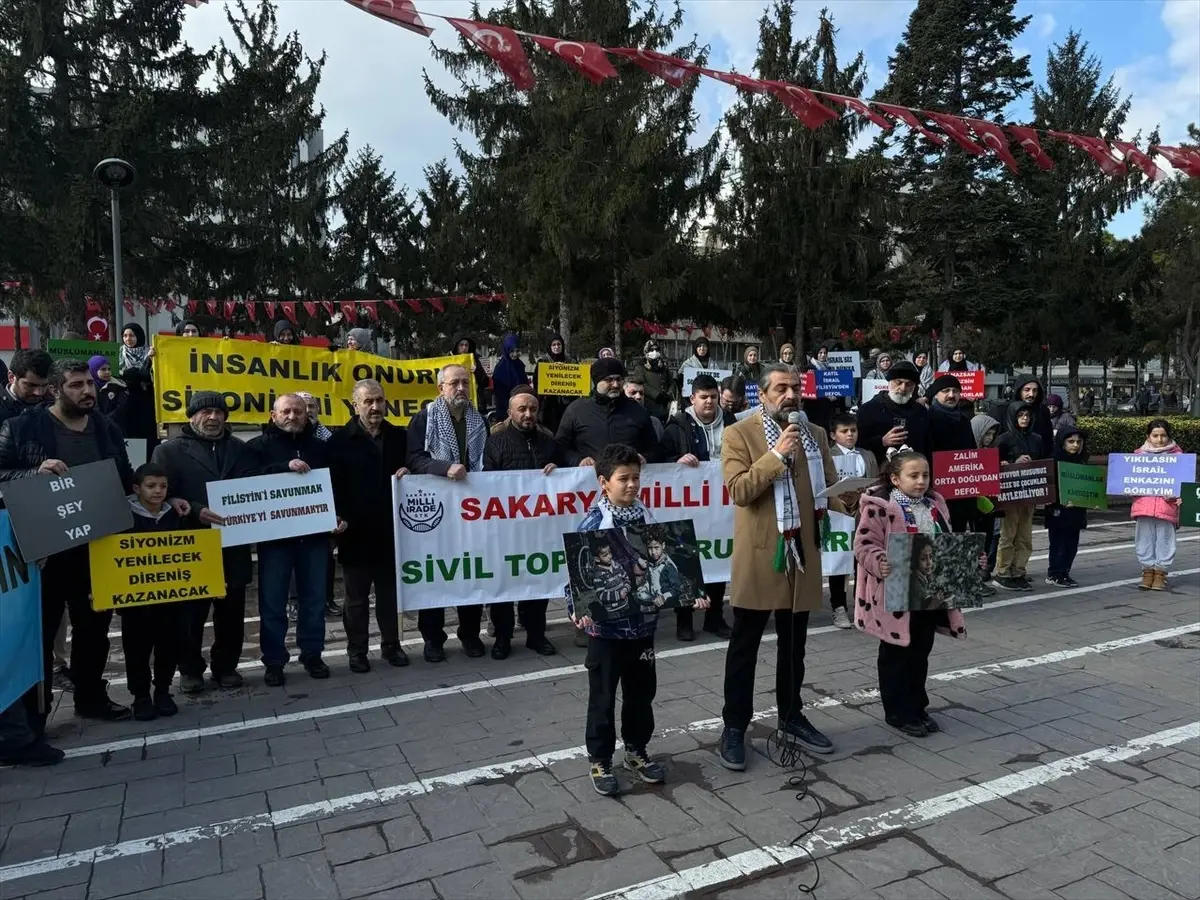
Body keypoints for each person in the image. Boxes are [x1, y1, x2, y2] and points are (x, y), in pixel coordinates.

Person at [718, 364, 843, 771]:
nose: (791, 395)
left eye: (796, 388)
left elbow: (828, 486)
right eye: (782, 388)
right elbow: (740, 490)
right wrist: (776, 455)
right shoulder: (739, 433)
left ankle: (791, 715)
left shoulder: (815, 433)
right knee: (745, 645)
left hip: (801, 554)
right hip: (761, 554)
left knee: (795, 644)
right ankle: (734, 726)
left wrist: (856, 499)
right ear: (763, 394)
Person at [566, 443, 710, 796]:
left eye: (636, 477)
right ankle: (600, 760)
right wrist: (576, 609)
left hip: (643, 627)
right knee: (603, 698)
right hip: (606, 631)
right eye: (623, 479)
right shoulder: (594, 524)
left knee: (641, 695)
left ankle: (636, 750)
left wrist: (691, 593)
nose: (631, 485)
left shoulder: (647, 518)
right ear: (604, 482)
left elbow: (668, 565)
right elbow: (575, 577)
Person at [0, 360, 138, 720]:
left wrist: (154, 493)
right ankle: (36, 713)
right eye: (76, 385)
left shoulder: (106, 428)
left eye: (89, 384)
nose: (87, 391)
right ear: (55, 390)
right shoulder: (21, 428)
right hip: (44, 553)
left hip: (96, 547)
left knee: (94, 628)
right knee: (41, 633)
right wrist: (33, 473)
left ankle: (91, 698)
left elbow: (124, 478)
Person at [853, 446, 968, 736]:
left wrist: (967, 558)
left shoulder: (935, 504)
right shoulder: (880, 506)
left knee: (921, 650)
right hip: (894, 592)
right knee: (896, 654)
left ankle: (918, 706)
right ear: (895, 478)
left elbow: (946, 541)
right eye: (913, 475)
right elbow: (864, 544)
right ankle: (898, 712)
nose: (921, 481)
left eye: (925, 475)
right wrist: (879, 560)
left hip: (929, 591)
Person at [151, 391, 255, 691]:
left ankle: (226, 666)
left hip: (233, 542)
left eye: (218, 412)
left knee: (232, 610)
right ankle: (190, 669)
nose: (213, 417)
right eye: (205, 412)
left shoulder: (240, 449)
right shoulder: (168, 452)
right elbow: (157, 493)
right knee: (190, 614)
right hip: (192, 542)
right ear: (191, 416)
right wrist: (191, 508)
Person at [247, 394, 341, 685]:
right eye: (286, 411)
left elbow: (336, 484)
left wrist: (337, 515)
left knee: (314, 600)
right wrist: (283, 468)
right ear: (273, 415)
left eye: (298, 411)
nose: (292, 416)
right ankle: (274, 660)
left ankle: (312, 654)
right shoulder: (257, 447)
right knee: (273, 602)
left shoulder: (321, 447)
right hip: (275, 539)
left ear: (307, 415)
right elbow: (246, 481)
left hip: (313, 537)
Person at [407, 364, 490, 661]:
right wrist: (444, 468)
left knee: (470, 572)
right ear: (440, 388)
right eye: (454, 383)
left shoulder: (479, 420)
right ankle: (433, 639)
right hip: (436, 512)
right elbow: (414, 459)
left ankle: (470, 634)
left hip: (471, 511)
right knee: (435, 575)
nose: (461, 388)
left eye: (465, 383)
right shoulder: (424, 419)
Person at [328, 379, 409, 671]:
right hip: (355, 534)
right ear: (355, 405)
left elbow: (412, 471)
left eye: (379, 400)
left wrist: (409, 471)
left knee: (390, 596)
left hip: (391, 532)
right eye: (368, 402)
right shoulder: (338, 442)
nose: (375, 407)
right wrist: (336, 518)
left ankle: (392, 645)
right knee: (356, 600)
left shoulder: (399, 437)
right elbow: (332, 487)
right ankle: (357, 651)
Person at [482, 386, 564, 658]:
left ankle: (536, 635)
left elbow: (564, 476)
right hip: (506, 528)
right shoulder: (496, 441)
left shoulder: (548, 442)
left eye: (532, 409)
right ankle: (503, 637)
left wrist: (558, 470)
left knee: (538, 582)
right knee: (504, 584)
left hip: (540, 527)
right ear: (510, 412)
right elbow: (487, 482)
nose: (528, 414)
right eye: (522, 409)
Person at [659, 373, 735, 641]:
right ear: (692, 398)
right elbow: (659, 460)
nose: (709, 402)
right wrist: (676, 460)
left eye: (713, 397)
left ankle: (714, 617)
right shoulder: (677, 426)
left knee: (717, 558)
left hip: (720, 505)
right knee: (685, 558)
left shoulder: (730, 422)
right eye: (704, 397)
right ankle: (684, 619)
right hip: (687, 505)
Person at [119, 463, 189, 721]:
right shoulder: (121, 516)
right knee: (136, 648)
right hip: (134, 599)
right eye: (151, 486)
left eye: (163, 486)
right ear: (136, 488)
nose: (158, 491)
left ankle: (162, 691)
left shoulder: (175, 514)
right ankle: (140, 696)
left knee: (169, 644)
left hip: (170, 596)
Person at [555, 358, 661, 466]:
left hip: (628, 474)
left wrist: (645, 457)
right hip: (590, 475)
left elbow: (655, 449)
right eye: (609, 380)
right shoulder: (576, 410)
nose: (615, 384)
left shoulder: (637, 410)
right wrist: (578, 460)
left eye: (619, 379)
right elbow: (560, 447)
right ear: (597, 381)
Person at [826, 412, 878, 629]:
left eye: (853, 431)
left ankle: (861, 605)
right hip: (838, 512)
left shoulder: (867, 455)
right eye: (844, 431)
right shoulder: (828, 455)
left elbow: (875, 481)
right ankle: (838, 606)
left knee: (862, 561)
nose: (850, 435)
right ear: (833, 435)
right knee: (839, 561)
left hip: (863, 512)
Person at [992, 401, 1044, 591]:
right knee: (1008, 535)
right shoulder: (1003, 439)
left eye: (1028, 415)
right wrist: (1013, 461)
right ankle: (1003, 572)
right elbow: (993, 462)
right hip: (1010, 494)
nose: (1025, 419)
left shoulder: (1036, 439)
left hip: (1029, 492)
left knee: (1025, 536)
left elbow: (1043, 462)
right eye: (1020, 415)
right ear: (1012, 417)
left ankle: (1019, 570)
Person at [1131, 419, 1185, 592]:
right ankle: (1147, 572)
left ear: (1169, 436)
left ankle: (1161, 573)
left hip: (1166, 507)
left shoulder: (1179, 458)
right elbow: (1128, 480)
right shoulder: (1137, 457)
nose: (1159, 440)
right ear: (1148, 436)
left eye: (1163, 435)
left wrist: (1179, 495)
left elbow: (1185, 484)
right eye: (1155, 435)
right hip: (1144, 506)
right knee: (1144, 540)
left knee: (1165, 540)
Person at [926, 374, 977, 533]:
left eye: (955, 391)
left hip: (961, 488)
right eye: (946, 391)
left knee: (959, 532)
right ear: (936, 394)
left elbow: (972, 451)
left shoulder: (964, 420)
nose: (951, 395)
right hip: (935, 489)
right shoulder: (927, 419)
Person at [855, 360, 930, 464]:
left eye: (908, 384)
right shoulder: (868, 410)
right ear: (889, 382)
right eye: (898, 382)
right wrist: (882, 441)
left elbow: (927, 445)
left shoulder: (920, 411)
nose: (903, 388)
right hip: (880, 467)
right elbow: (857, 444)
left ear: (914, 387)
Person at [1045, 427, 1088, 588]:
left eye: (1078, 442)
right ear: (1062, 443)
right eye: (1071, 441)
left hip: (1076, 510)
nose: (1075, 445)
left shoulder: (1081, 461)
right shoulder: (1054, 461)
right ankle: (1054, 573)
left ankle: (1065, 572)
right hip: (1058, 511)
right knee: (1059, 543)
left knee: (1072, 544)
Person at [972, 414, 1002, 590]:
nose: (989, 438)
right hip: (973, 508)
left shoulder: (991, 453)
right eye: (986, 434)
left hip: (989, 506)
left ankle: (981, 574)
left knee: (987, 539)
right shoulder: (965, 455)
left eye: (992, 434)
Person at [0, 348, 52, 425]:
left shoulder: (53, 403)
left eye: (44, 385)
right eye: (31, 385)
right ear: (11, 377)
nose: (39, 392)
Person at [535, 332, 572, 433]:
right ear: (549, 346)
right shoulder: (543, 361)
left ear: (562, 345)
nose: (556, 347)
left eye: (558, 344)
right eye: (553, 345)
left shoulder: (570, 361)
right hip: (548, 404)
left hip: (566, 403)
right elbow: (537, 382)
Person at [629, 340, 673, 422]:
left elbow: (671, 382)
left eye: (656, 349)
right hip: (649, 403)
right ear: (646, 351)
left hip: (664, 404)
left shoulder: (663, 366)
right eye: (651, 350)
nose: (654, 352)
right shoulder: (640, 366)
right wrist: (657, 395)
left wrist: (668, 394)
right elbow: (641, 383)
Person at [451, 332, 491, 416]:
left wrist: (477, 371)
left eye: (466, 345)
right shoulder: (449, 360)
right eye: (461, 345)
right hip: (456, 404)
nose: (464, 347)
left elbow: (485, 382)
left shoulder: (474, 360)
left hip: (475, 404)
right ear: (456, 346)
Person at [491, 332, 529, 416]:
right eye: (511, 351)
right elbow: (500, 395)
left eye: (517, 351)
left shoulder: (519, 365)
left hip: (522, 407)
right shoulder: (500, 368)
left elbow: (525, 385)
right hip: (506, 410)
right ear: (506, 350)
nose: (515, 354)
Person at [88, 355, 126, 427]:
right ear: (93, 370)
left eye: (109, 369)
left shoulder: (118, 386)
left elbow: (120, 407)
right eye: (103, 369)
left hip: (113, 425)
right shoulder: (87, 387)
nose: (107, 372)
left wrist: (106, 420)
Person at [623, 376, 665, 442]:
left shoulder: (655, 423)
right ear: (623, 395)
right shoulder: (615, 422)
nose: (638, 397)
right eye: (633, 393)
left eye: (641, 393)